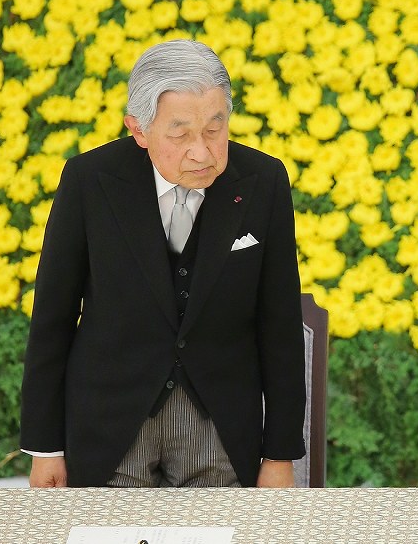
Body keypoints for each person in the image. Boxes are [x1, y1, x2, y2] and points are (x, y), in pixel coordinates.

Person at [20, 39, 306, 488]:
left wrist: (279, 454)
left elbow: (281, 324)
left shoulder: (264, 181)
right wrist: (46, 449)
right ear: (139, 130)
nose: (202, 152)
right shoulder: (88, 180)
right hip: (109, 423)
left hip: (219, 427)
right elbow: (52, 319)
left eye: (215, 129)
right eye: (180, 134)